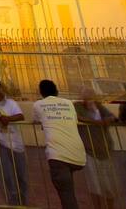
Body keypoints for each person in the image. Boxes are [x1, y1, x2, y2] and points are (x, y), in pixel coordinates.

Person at [32, 79, 86, 209]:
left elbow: (35, 120)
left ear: (41, 92)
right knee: (68, 190)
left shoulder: (39, 104)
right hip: (78, 153)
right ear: (57, 91)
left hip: (58, 155)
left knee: (66, 195)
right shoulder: (68, 103)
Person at [75, 87, 117, 209]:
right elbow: (78, 117)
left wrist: (97, 113)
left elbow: (111, 117)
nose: (89, 100)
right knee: (95, 185)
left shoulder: (99, 106)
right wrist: (97, 121)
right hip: (90, 150)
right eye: (86, 97)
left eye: (91, 97)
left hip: (105, 148)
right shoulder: (77, 106)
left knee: (109, 185)